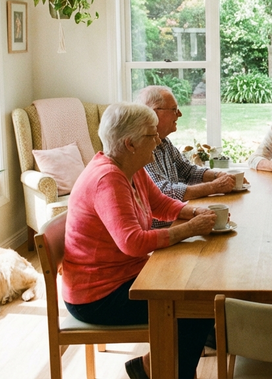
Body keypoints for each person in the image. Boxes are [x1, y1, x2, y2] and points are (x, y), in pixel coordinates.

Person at [62, 102, 217, 379]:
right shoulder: (107, 178)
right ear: (130, 143)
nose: (158, 141)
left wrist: (193, 211)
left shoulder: (130, 167)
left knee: (198, 293)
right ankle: (156, 368)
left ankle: (159, 364)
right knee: (195, 307)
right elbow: (132, 242)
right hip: (99, 296)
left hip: (126, 275)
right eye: (151, 135)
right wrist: (189, 228)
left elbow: (161, 204)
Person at [137, 85, 236, 228]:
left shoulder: (164, 141)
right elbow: (164, 193)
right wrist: (215, 187)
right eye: (174, 109)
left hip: (179, 217)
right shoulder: (142, 146)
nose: (180, 114)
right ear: (154, 113)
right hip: (163, 227)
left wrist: (219, 176)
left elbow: (187, 170)